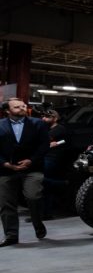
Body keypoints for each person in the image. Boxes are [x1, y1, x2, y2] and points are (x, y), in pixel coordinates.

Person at [0, 97, 50, 246]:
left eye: (23, 106)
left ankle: (38, 223)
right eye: (17, 107)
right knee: (6, 204)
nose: (22, 108)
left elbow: (44, 145)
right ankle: (11, 236)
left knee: (33, 197)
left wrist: (31, 160)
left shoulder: (38, 124)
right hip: (6, 170)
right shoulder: (0, 125)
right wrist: (6, 164)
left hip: (32, 168)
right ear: (7, 111)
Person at [40, 109, 69, 219]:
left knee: (42, 182)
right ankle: (45, 213)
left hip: (52, 158)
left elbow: (44, 141)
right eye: (43, 116)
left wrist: (55, 143)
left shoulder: (59, 129)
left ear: (55, 118)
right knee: (43, 186)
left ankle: (61, 183)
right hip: (46, 157)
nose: (43, 118)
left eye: (47, 117)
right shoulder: (47, 128)